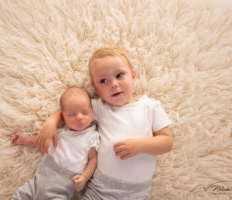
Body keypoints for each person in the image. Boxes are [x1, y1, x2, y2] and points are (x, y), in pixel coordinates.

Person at [37, 46, 173, 199]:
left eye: (119, 75)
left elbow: (167, 142)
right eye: (104, 81)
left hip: (136, 193)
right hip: (101, 188)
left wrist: (141, 145)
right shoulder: (100, 107)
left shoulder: (149, 107)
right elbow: (71, 112)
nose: (113, 84)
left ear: (133, 76)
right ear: (95, 88)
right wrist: (51, 122)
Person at [11, 87, 99, 200]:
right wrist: (24, 140)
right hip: (38, 181)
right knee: (20, 195)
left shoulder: (92, 136)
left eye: (85, 112)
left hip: (61, 189)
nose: (79, 117)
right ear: (63, 116)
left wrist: (84, 177)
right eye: (72, 114)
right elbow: (42, 141)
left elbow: (93, 159)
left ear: (92, 111)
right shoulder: (60, 130)